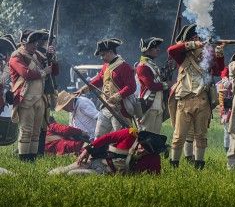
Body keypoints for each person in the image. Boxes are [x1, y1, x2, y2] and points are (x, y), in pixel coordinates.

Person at [167, 24, 225, 169]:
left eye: (199, 37)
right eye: (195, 37)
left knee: (201, 136)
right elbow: (171, 50)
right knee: (179, 136)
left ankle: (199, 165)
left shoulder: (208, 53)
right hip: (184, 99)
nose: (199, 39)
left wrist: (219, 54)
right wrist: (193, 44)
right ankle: (174, 164)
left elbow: (218, 71)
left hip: (203, 99)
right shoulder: (182, 54)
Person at [8, 30, 56, 162]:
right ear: (24, 42)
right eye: (32, 42)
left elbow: (54, 70)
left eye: (35, 42)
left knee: (36, 131)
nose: (35, 45)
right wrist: (43, 72)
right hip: (25, 98)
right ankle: (24, 159)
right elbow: (26, 73)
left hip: (39, 98)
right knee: (26, 130)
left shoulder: (37, 54)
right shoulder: (16, 56)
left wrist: (51, 56)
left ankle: (32, 159)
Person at [79, 39, 137, 138]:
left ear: (110, 52)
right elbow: (99, 79)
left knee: (119, 137)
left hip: (120, 108)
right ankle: (99, 153)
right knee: (98, 135)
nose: (102, 58)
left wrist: (117, 96)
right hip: (106, 106)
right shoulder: (106, 66)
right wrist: (85, 88)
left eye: (103, 55)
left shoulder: (124, 66)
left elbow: (131, 87)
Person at [48, 127, 166, 176]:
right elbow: (107, 138)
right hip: (95, 161)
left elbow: (155, 177)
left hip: (105, 173)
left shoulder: (154, 160)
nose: (141, 151)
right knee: (60, 172)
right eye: (142, 146)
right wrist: (87, 150)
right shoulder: (129, 134)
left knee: (72, 175)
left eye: (145, 151)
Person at [136, 37, 170, 134]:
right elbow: (151, 86)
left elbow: (157, 81)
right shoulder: (143, 66)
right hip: (148, 106)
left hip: (157, 106)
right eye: (155, 48)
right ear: (147, 50)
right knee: (146, 137)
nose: (158, 49)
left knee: (155, 137)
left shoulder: (151, 64)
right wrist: (167, 84)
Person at [217, 67, 232, 152]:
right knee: (227, 131)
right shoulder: (223, 84)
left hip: (232, 109)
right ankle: (228, 150)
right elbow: (221, 100)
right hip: (227, 110)